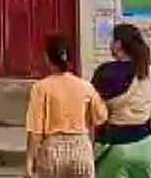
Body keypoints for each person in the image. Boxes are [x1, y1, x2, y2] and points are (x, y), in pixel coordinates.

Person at [25, 35, 107, 178]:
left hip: (52, 151)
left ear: (47, 58)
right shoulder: (85, 86)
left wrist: (30, 160)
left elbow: (36, 131)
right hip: (81, 149)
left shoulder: (41, 88)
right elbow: (100, 117)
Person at [91, 24, 151, 178]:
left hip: (115, 147)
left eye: (112, 40)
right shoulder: (149, 71)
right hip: (146, 146)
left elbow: (93, 109)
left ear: (118, 44)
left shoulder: (106, 72)